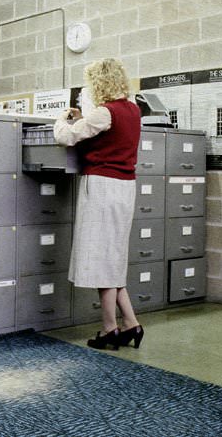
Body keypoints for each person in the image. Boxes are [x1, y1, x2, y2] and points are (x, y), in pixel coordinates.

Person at [52, 58, 144, 350]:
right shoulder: (132, 109)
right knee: (113, 256)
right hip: (125, 187)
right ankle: (131, 323)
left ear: (99, 83)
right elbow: (103, 126)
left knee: (101, 259)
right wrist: (85, 116)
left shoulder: (105, 113)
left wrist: (63, 118)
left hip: (102, 186)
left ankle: (109, 330)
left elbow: (67, 137)